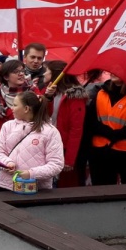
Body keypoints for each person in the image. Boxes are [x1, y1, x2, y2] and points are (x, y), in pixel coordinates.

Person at [0, 91, 64, 191]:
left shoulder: (50, 131)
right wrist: (7, 163)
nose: (11, 108)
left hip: (37, 189)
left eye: (15, 105)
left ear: (26, 109)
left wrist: (31, 174)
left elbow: (56, 164)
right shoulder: (7, 126)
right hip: (8, 186)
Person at [86, 75, 126, 185]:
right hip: (102, 152)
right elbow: (90, 121)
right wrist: (109, 133)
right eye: (113, 70)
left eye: (119, 71)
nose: (113, 73)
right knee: (102, 194)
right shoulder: (100, 94)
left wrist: (117, 134)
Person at [44, 60, 88, 188]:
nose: (44, 74)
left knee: (67, 186)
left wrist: (69, 159)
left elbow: (76, 129)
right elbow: (45, 115)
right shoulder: (51, 92)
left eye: (47, 71)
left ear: (56, 74)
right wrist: (47, 97)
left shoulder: (74, 97)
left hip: (64, 148)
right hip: (49, 145)